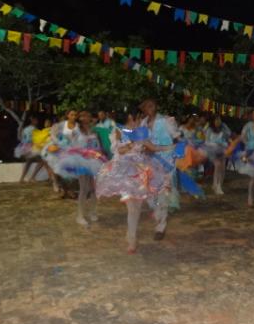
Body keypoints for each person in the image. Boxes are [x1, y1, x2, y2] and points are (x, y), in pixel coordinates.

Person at [96, 111, 173, 253]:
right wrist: (133, 142)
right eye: (137, 118)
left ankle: (160, 220)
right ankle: (131, 240)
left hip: (143, 171)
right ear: (131, 118)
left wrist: (170, 147)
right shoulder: (119, 131)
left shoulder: (138, 131)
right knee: (133, 209)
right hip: (125, 174)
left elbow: (152, 147)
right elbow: (119, 150)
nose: (139, 121)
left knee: (155, 199)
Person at [55, 111, 107, 226]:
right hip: (82, 162)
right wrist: (83, 153)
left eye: (88, 115)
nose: (86, 118)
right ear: (80, 118)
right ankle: (80, 215)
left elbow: (100, 146)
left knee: (94, 189)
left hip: (95, 162)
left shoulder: (95, 131)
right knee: (84, 189)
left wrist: (99, 154)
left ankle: (93, 212)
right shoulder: (76, 131)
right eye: (83, 116)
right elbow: (72, 146)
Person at [140, 99, 181, 241]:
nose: (150, 108)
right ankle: (158, 215)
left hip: (166, 162)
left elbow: (177, 137)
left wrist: (173, 152)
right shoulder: (143, 123)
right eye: (147, 106)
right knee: (151, 195)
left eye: (152, 105)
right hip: (150, 163)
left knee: (163, 195)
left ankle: (160, 226)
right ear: (143, 109)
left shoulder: (165, 121)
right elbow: (142, 142)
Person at [42, 110, 80, 198]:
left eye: (75, 115)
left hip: (71, 150)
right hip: (59, 149)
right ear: (68, 115)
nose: (74, 116)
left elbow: (78, 138)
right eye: (72, 115)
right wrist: (59, 144)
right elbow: (53, 135)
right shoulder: (62, 125)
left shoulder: (78, 126)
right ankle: (64, 190)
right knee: (58, 170)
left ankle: (69, 190)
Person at [204, 115, 232, 195]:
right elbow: (206, 141)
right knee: (217, 165)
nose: (218, 122)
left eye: (219, 120)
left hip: (222, 149)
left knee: (222, 168)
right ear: (213, 121)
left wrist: (223, 143)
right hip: (212, 150)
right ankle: (216, 185)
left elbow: (228, 137)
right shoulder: (209, 129)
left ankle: (219, 185)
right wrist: (215, 144)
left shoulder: (224, 129)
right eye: (216, 120)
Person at [15, 115, 40, 183]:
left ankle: (21, 179)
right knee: (42, 161)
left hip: (24, 147)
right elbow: (35, 139)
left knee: (28, 162)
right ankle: (32, 177)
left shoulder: (25, 128)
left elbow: (21, 138)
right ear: (33, 121)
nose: (37, 122)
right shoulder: (34, 129)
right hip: (31, 147)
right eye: (36, 120)